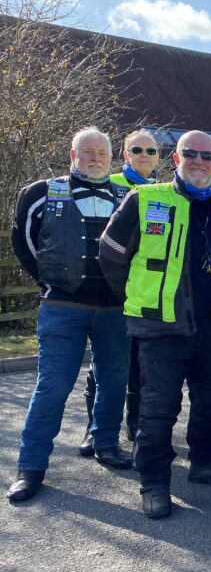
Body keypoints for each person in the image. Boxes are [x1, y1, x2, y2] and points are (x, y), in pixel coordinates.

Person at [99, 130, 211, 519]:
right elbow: (111, 253)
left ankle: (203, 463)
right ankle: (154, 483)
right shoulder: (146, 198)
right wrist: (137, 297)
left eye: (207, 155)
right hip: (162, 327)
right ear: (176, 158)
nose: (199, 161)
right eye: (191, 154)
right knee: (158, 408)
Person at [6, 127, 133, 503]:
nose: (95, 158)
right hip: (63, 306)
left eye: (102, 153)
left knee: (113, 381)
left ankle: (106, 443)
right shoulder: (39, 193)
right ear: (73, 155)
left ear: (113, 160)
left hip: (115, 308)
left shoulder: (127, 195)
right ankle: (30, 467)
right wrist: (50, 280)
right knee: (54, 385)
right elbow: (24, 242)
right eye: (88, 152)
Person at [79, 129, 160, 457]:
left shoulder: (162, 191)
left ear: (158, 157)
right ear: (124, 154)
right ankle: (92, 429)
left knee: (141, 365)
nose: (144, 155)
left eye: (151, 151)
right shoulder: (110, 186)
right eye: (137, 149)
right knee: (103, 365)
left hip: (146, 295)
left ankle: (136, 424)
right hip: (111, 292)